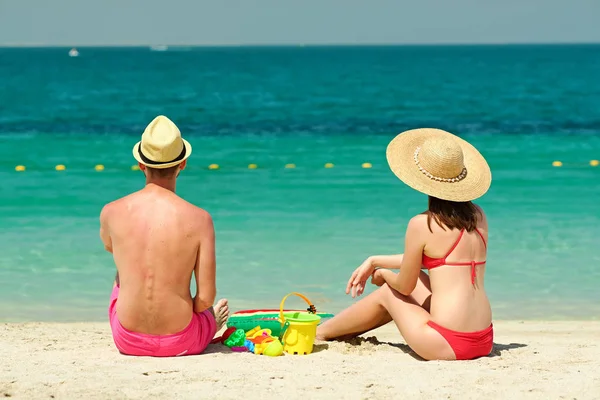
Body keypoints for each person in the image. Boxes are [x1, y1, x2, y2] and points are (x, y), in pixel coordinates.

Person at [316, 128, 494, 361]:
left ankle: (321, 333)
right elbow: (442, 261)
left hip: (448, 342)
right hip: (483, 340)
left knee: (389, 293)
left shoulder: (422, 224)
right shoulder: (478, 215)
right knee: (419, 276)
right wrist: (375, 260)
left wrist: (383, 274)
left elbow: (404, 287)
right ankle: (333, 331)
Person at [99, 115, 229, 357]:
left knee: (121, 274)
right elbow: (205, 298)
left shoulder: (111, 211)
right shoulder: (200, 219)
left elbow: (112, 249)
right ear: (182, 164)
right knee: (205, 311)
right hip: (182, 341)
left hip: (126, 340)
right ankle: (209, 325)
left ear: (140, 164)